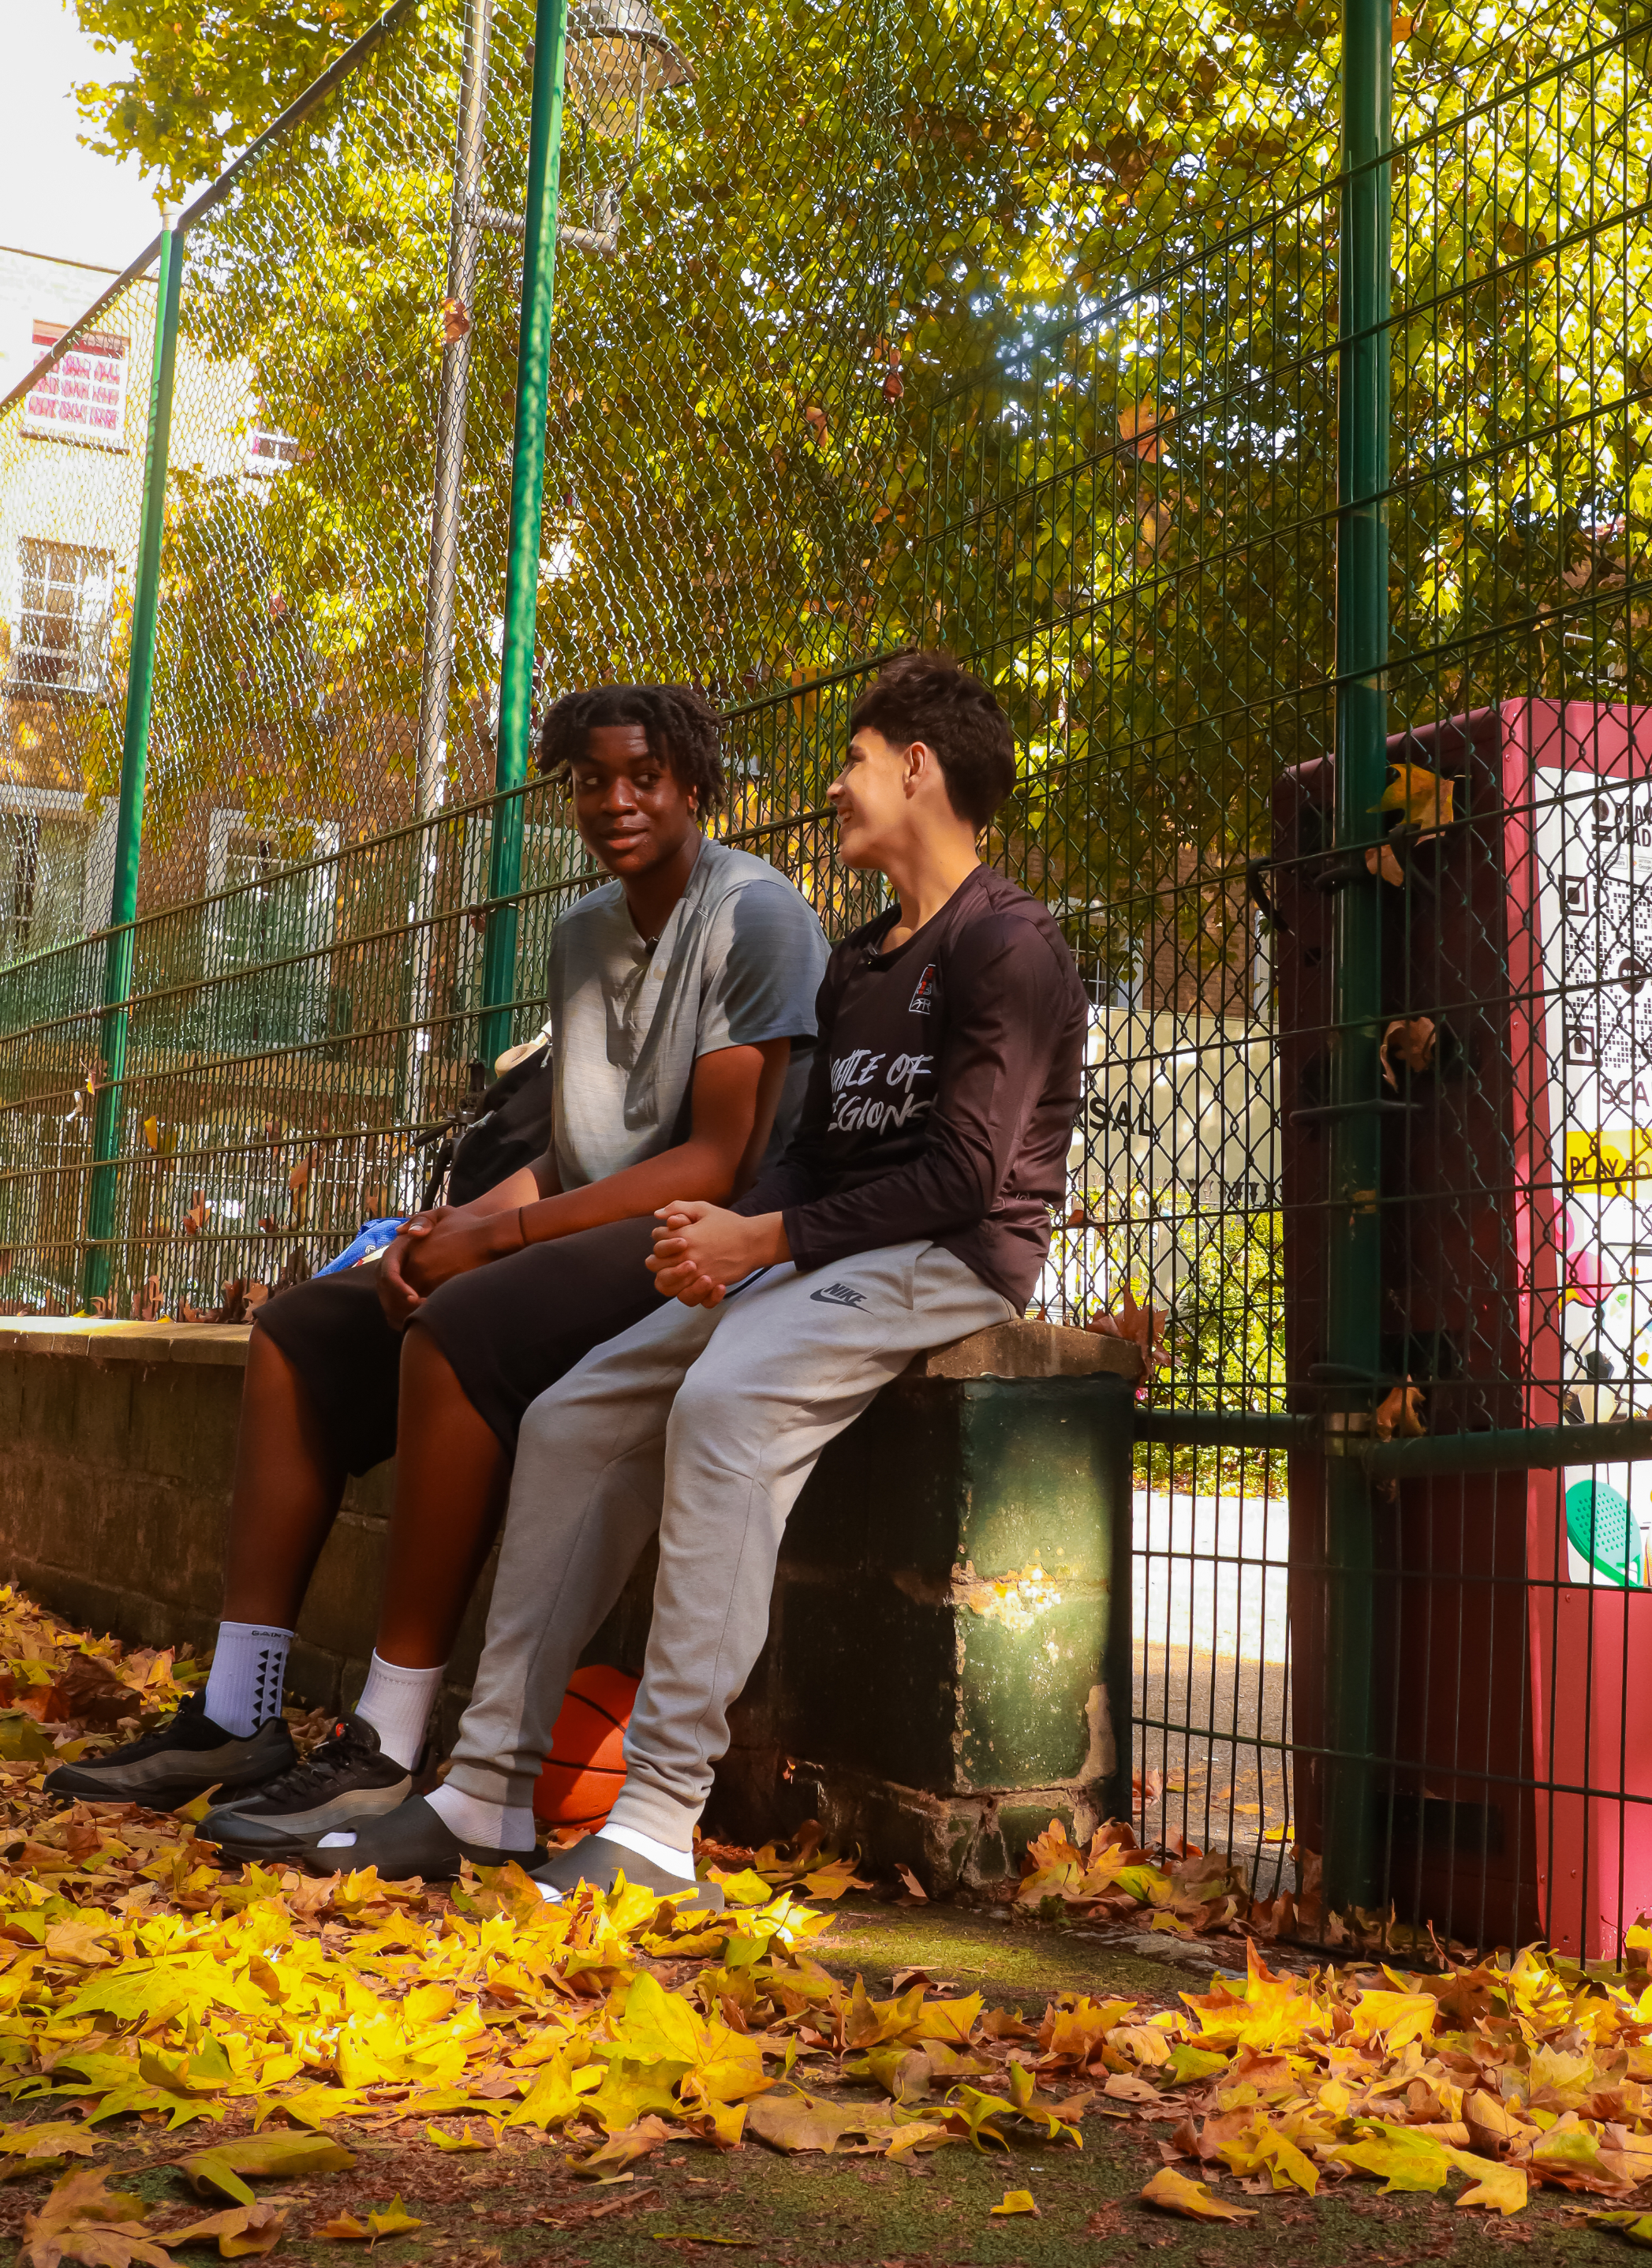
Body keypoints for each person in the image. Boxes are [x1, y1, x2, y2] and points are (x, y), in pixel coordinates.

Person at [304, 650, 1086, 1892]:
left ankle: (658, 1822)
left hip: (948, 1259)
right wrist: (720, 1237)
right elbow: (816, 1161)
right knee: (573, 1414)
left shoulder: (1009, 945)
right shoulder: (865, 956)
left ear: (919, 768)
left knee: (725, 1407)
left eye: (856, 761)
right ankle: (485, 1791)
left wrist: (762, 1240)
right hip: (834, 1243)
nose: (838, 787)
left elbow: (967, 1180)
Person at [49, 685, 828, 1850]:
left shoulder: (755, 915)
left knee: (459, 1332)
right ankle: (236, 1713)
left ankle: (385, 1745)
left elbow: (715, 1160)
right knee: (306, 1330)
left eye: (644, 778)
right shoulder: (580, 936)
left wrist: (497, 1240)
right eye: (591, 781)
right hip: (592, 1215)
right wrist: (449, 1227)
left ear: (693, 789)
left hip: (703, 1239)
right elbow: (573, 1160)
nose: (616, 801)